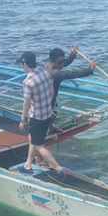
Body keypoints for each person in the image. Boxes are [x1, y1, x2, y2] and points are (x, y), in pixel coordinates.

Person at [17, 51, 68, 180]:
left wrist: (23, 120)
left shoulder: (28, 81)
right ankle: (28, 164)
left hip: (37, 117)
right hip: (47, 114)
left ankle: (59, 169)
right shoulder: (45, 73)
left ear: (25, 64)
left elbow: (26, 103)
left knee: (39, 145)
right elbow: (52, 92)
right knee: (33, 138)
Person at [44, 44, 96, 110]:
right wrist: (90, 70)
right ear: (52, 61)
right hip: (48, 103)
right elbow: (74, 74)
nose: (62, 64)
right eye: (60, 62)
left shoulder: (47, 65)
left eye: (63, 61)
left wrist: (73, 53)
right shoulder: (56, 73)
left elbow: (65, 62)